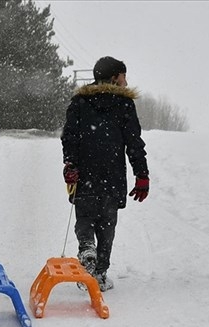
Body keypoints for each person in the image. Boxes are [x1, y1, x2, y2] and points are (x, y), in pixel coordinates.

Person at [61, 56, 149, 292]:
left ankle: (86, 247)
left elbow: (69, 136)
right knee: (107, 224)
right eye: (123, 76)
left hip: (85, 174)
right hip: (112, 175)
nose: (125, 81)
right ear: (114, 77)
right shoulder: (124, 105)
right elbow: (134, 143)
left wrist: (70, 164)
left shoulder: (80, 102)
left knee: (85, 218)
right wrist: (142, 174)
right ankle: (99, 273)